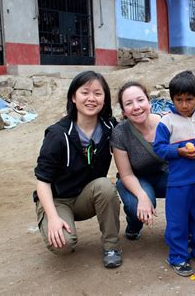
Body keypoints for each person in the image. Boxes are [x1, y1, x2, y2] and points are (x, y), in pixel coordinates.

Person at [33, 71, 122, 268]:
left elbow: (135, 131)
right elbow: (43, 182)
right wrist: (54, 218)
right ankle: (49, 220)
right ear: (73, 97)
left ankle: (111, 246)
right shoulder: (58, 135)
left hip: (86, 197)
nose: (91, 98)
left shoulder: (109, 127)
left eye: (98, 93)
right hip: (58, 200)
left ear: (105, 99)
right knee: (63, 244)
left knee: (105, 186)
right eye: (85, 92)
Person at [153, 70, 195, 277]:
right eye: (179, 99)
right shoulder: (167, 122)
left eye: (189, 99)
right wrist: (178, 151)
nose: (184, 104)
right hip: (178, 182)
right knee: (178, 220)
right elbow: (159, 148)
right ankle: (178, 256)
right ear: (172, 99)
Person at [110, 82, 168, 241]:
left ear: (149, 102)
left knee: (188, 186)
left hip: (164, 176)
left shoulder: (167, 123)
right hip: (135, 179)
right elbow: (126, 174)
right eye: (129, 103)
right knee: (137, 205)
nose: (136, 107)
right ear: (123, 111)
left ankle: (181, 228)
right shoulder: (120, 133)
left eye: (140, 100)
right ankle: (134, 225)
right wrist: (142, 197)